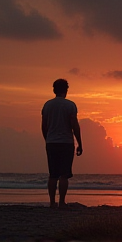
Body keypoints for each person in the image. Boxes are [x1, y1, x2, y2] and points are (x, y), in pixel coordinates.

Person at [41, 79, 83, 208]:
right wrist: (79, 143)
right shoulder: (70, 105)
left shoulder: (47, 105)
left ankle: (52, 202)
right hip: (66, 142)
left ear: (54, 90)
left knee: (53, 174)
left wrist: (47, 139)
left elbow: (44, 126)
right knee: (64, 175)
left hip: (51, 142)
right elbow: (74, 125)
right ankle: (62, 202)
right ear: (66, 90)